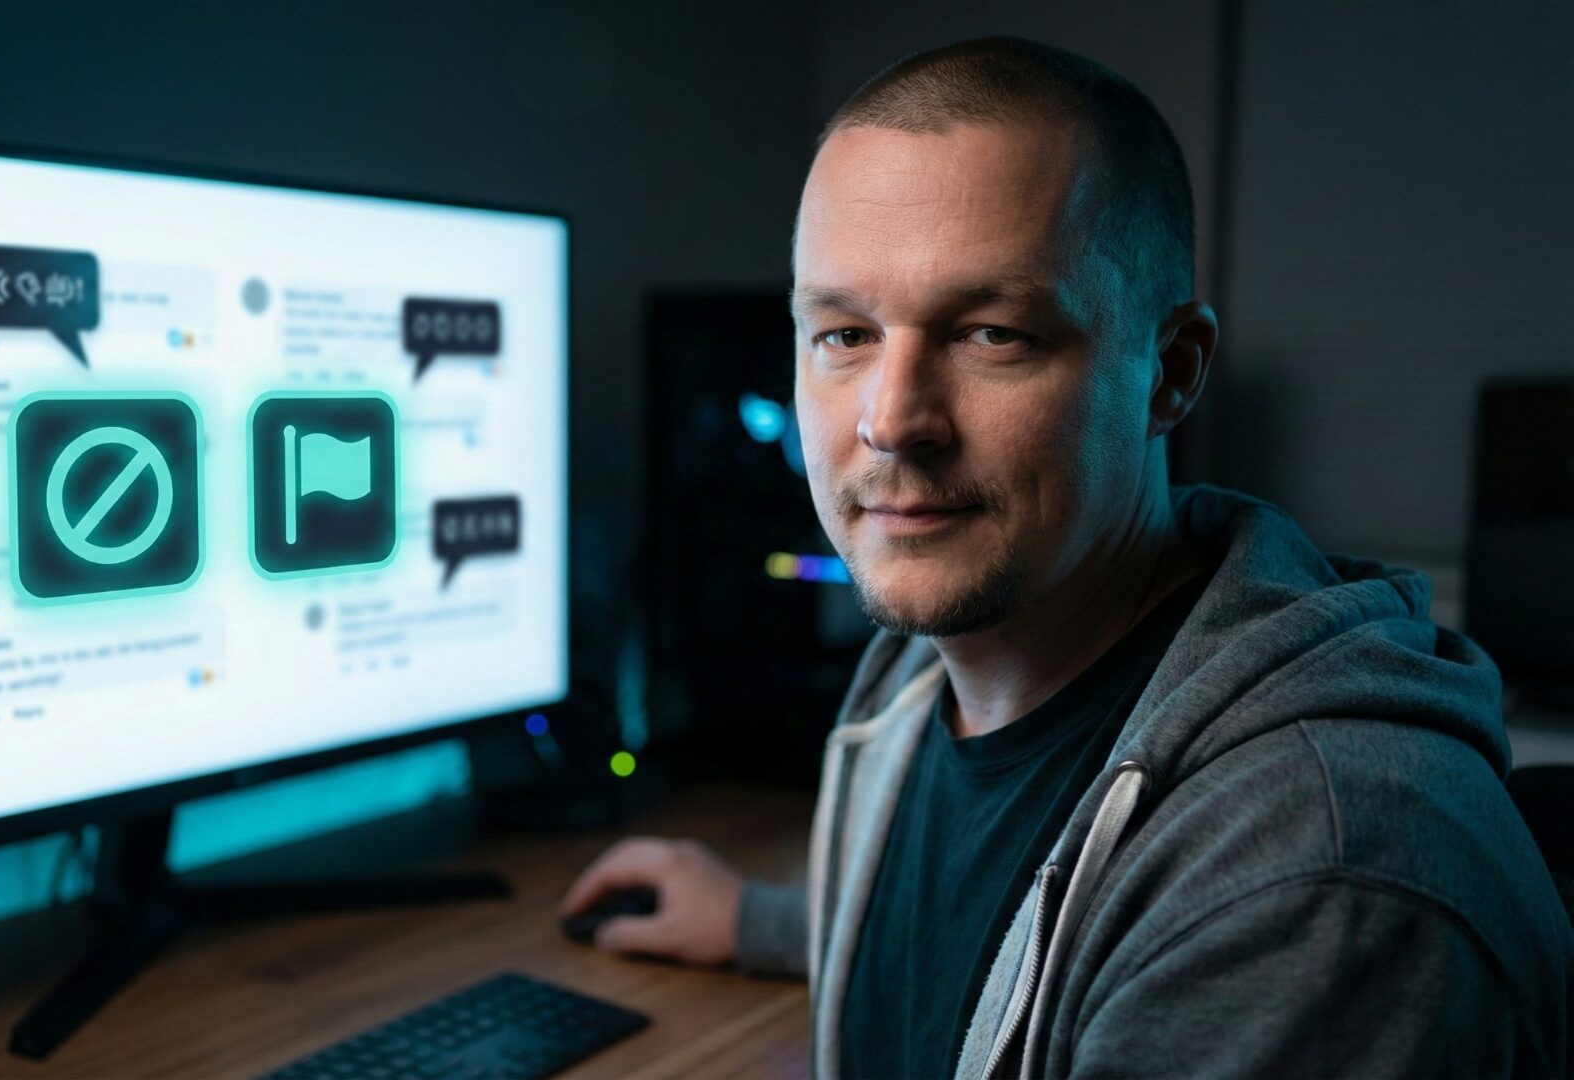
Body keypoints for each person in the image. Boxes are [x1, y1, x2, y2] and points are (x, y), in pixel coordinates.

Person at [561, 36, 1572, 1078]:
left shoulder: (1313, 886)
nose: (892, 421)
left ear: (1169, 374)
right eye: (844, 335)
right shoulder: (929, 670)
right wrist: (774, 922)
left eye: (992, 333)